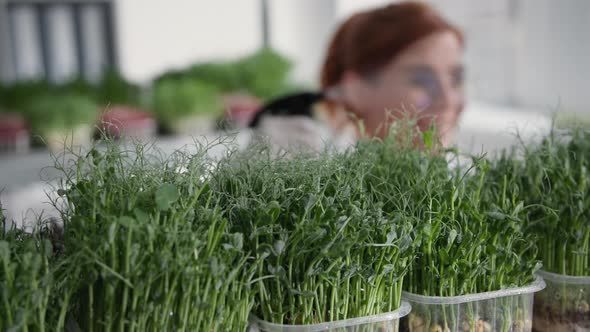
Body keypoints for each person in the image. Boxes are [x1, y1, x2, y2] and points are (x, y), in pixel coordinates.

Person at [249, 1, 464, 151]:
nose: (448, 101)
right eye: (421, 80)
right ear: (355, 89)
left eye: (456, 79)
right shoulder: (298, 146)